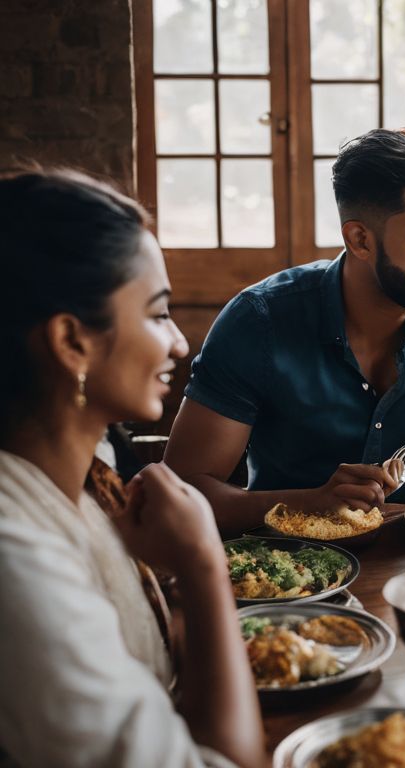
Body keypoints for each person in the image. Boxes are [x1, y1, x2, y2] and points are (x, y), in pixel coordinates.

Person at [165, 129, 405, 534]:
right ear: (359, 239)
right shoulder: (259, 320)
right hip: (287, 567)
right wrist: (310, 502)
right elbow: (182, 493)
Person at [0, 168, 265, 767]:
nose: (178, 343)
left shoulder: (85, 483)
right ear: (72, 341)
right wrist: (202, 566)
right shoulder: (16, 559)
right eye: (157, 313)